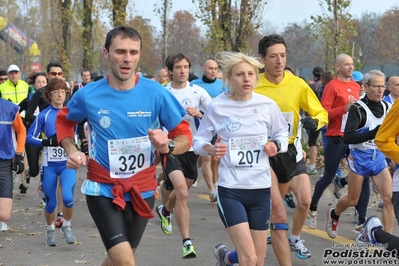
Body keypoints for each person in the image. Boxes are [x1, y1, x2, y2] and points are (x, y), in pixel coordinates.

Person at [56, 26, 191, 266]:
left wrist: (167, 145)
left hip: (143, 190)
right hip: (103, 189)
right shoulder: (89, 95)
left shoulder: (155, 93)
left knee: (118, 260)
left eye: (133, 52)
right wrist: (72, 150)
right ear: (106, 54)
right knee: (126, 262)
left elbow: (184, 136)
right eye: (120, 51)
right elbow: (64, 122)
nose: (127, 58)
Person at [194, 51, 289, 266]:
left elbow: (282, 133)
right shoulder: (217, 106)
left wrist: (276, 145)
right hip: (231, 190)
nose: (246, 79)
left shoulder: (267, 105)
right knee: (248, 258)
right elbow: (198, 142)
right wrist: (211, 149)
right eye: (240, 74)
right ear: (229, 78)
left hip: (260, 189)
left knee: (258, 260)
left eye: (250, 74)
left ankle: (227, 258)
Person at [255, 34, 328, 261]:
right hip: (264, 154)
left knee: (305, 200)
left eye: (283, 56)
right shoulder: (254, 84)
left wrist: (316, 122)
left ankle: (294, 238)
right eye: (273, 56)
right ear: (262, 59)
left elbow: (320, 112)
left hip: (291, 151)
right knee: (274, 209)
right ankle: (255, 245)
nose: (279, 61)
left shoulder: (297, 84)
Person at [325, 70, 394, 240]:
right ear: (365, 87)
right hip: (359, 157)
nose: (380, 90)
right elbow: (348, 137)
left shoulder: (387, 107)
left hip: (377, 157)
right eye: (376, 86)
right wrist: (374, 133)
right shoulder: (358, 108)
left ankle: (387, 240)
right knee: (352, 200)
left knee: (388, 198)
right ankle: (334, 214)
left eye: (383, 86)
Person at [156, 53, 212, 258]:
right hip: (169, 147)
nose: (182, 70)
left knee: (181, 191)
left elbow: (216, 115)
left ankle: (165, 211)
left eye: (186, 67)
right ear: (170, 70)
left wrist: (200, 114)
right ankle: (187, 242)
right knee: (182, 192)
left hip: (192, 148)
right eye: (178, 67)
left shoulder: (198, 91)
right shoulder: (162, 92)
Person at [308, 53, 360, 226]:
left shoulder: (355, 86)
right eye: (346, 64)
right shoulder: (332, 86)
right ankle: (313, 207)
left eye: (352, 64)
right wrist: (344, 109)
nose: (350, 67)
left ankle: (361, 218)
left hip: (352, 137)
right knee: (328, 176)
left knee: (361, 174)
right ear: (337, 67)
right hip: (335, 137)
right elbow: (325, 112)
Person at [26, 78, 78, 246]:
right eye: (56, 92)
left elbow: (80, 133)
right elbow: (29, 137)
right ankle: (49, 230)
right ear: (49, 95)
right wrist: (45, 142)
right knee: (51, 203)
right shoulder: (44, 115)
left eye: (63, 92)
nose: (60, 95)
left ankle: (67, 226)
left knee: (68, 198)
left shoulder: (71, 113)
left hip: (67, 163)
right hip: (49, 165)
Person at [26, 62, 66, 226]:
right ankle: (41, 185)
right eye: (53, 73)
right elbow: (28, 113)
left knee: (63, 181)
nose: (56, 76)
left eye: (59, 74)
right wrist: (42, 123)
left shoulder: (65, 91)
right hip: (43, 138)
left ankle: (61, 214)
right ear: (48, 75)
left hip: (61, 142)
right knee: (35, 171)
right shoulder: (41, 93)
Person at [192, 59, 226, 202]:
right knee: (206, 157)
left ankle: (217, 185)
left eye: (216, 69)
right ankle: (211, 189)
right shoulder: (195, 86)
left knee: (216, 159)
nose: (213, 71)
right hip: (201, 125)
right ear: (203, 68)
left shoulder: (222, 85)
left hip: (218, 125)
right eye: (210, 68)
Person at [18, 73, 48, 198]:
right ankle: (28, 172)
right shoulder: (29, 99)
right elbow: (17, 113)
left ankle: (45, 190)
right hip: (32, 136)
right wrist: (25, 123)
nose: (41, 84)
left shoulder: (50, 98)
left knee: (47, 168)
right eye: (38, 82)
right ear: (34, 85)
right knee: (35, 171)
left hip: (46, 136)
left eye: (43, 82)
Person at [0, 98, 26, 232]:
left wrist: (19, 155)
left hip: (4, 163)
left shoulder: (10, 108)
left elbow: (21, 130)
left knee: (4, 215)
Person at [307, 66, 324, 175]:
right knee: (328, 142)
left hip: (314, 117)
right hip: (327, 116)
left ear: (314, 75)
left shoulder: (312, 86)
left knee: (312, 141)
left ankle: (312, 166)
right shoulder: (328, 86)